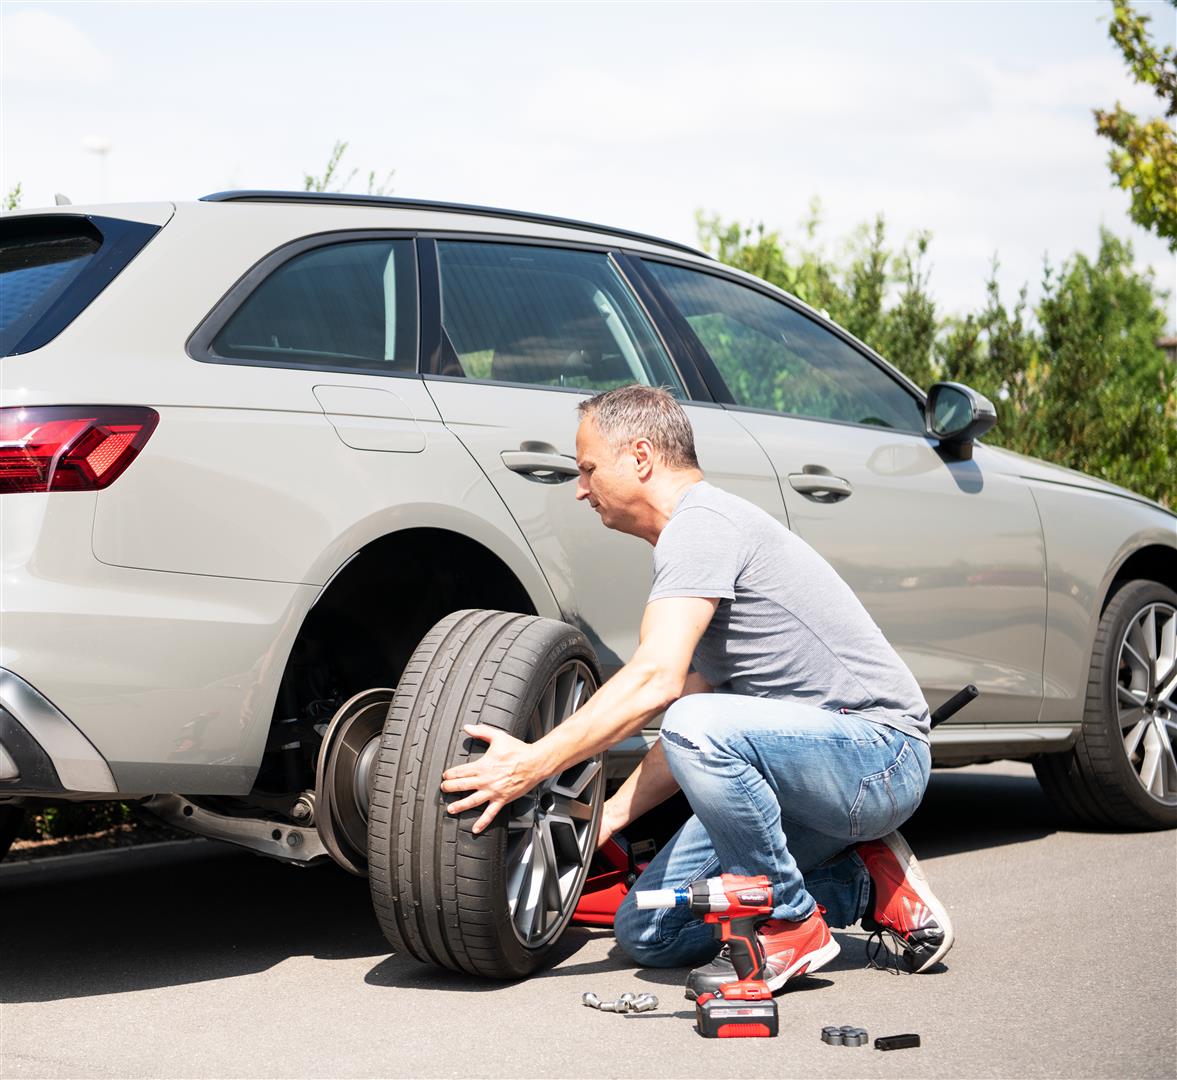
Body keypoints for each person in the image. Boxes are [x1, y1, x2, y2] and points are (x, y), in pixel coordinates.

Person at [440, 384, 953, 989]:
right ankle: (865, 884)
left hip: (878, 757)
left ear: (640, 457)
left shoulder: (702, 526)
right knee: (649, 931)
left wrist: (533, 765)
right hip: (795, 779)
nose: (581, 488)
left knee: (690, 723)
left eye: (587, 469)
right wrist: (596, 823)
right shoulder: (693, 540)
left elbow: (661, 686)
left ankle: (790, 923)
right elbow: (691, 727)